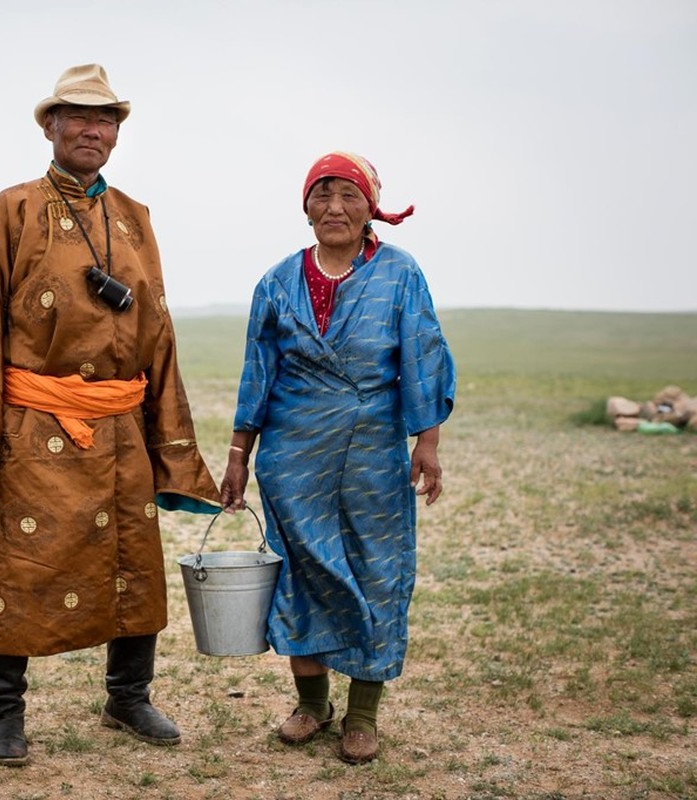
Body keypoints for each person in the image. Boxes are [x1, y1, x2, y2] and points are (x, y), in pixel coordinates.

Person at [0, 64, 221, 767]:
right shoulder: (10, 211)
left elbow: (157, 330)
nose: (94, 130)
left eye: (107, 120)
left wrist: (170, 444)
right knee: (14, 562)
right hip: (33, 427)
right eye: (79, 117)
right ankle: (1, 713)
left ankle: (128, 696)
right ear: (50, 126)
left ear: (117, 134)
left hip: (120, 426)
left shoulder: (135, 218)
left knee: (133, 558)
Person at [219, 152, 456, 765]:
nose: (334, 207)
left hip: (374, 450)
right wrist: (239, 454)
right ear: (305, 207)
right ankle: (312, 703)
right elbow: (258, 371)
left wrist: (426, 442)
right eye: (321, 195)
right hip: (292, 454)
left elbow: (422, 356)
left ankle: (362, 714)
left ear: (370, 206)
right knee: (303, 572)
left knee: (375, 570)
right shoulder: (276, 282)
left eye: (348, 195)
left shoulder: (399, 275)